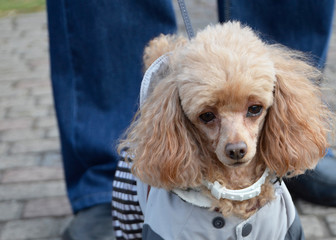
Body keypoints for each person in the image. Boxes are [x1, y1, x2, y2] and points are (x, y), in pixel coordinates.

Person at [46, 0, 335, 239]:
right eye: (208, 116)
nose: (236, 142)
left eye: (254, 110)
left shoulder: (280, 218)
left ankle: (295, 171)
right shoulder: (169, 224)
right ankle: (99, 187)